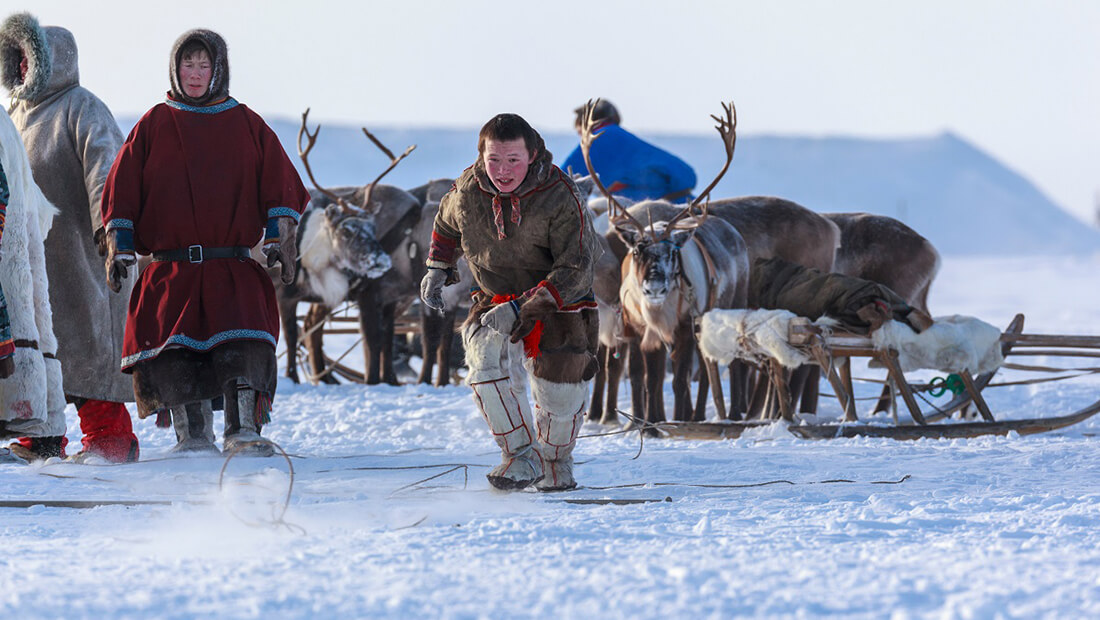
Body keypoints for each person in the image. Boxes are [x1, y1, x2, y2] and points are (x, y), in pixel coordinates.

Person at [100, 28, 308, 456]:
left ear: (219, 70)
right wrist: (119, 244)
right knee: (177, 351)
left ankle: (243, 430)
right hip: (171, 269)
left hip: (230, 266)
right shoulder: (154, 124)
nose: (195, 74)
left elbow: (280, 186)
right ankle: (192, 436)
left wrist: (277, 236)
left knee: (243, 343)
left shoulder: (246, 123)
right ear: (175, 69)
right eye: (187, 65)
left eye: (204, 65)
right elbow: (121, 190)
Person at [421, 113, 602, 491]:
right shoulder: (468, 189)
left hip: (559, 303)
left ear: (532, 154)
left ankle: (554, 461)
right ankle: (521, 455)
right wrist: (438, 266)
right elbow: (447, 222)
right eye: (494, 160)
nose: (502, 171)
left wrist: (523, 308)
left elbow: (577, 268)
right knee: (483, 361)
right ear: (482, 156)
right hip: (493, 297)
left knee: (560, 393)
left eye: (513, 161)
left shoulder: (561, 196)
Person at [0, 13, 139, 462]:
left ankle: (110, 437)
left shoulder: (82, 107)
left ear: (51, 60)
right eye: (16, 58)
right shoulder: (12, 116)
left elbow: (108, 171)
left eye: (29, 58)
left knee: (89, 346)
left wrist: (111, 231)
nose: (22, 68)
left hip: (79, 253)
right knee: (40, 345)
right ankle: (42, 437)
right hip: (29, 257)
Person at [0, 106, 67, 463]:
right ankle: (47, 430)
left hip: (7, 243)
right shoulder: (5, 120)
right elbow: (39, 211)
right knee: (32, 321)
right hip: (16, 240)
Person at [559, 99, 697, 203]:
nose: (582, 138)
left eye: (580, 132)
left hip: (643, 209)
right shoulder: (621, 136)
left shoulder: (598, 139)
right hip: (683, 203)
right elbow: (685, 175)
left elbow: (559, 182)